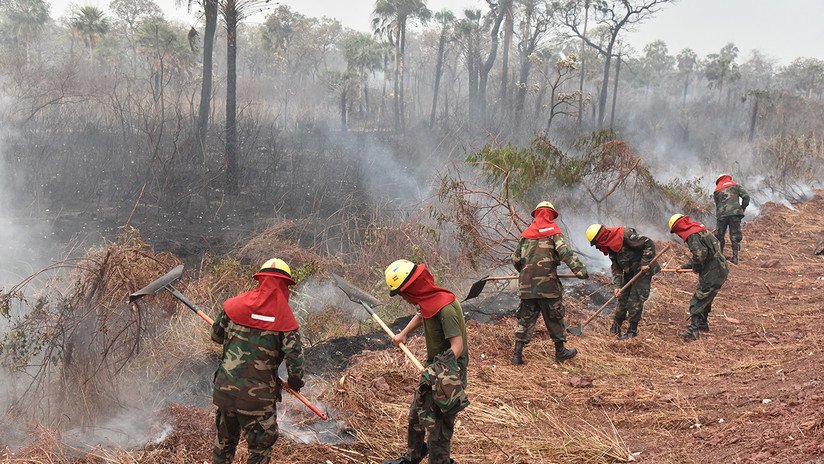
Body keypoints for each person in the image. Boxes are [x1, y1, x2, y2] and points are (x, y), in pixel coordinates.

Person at [210, 258, 305, 464]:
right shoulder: (285, 321)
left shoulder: (233, 305)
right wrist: (295, 385)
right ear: (285, 286)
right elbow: (295, 365)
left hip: (225, 389)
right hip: (258, 399)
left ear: (260, 280)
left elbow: (216, 336)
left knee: (225, 442)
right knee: (259, 449)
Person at [383, 259, 469, 464]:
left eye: (403, 294)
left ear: (412, 289)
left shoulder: (446, 308)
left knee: (439, 428)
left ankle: (441, 461)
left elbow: (457, 348)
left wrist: (436, 371)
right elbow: (422, 314)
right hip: (433, 368)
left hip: (448, 373)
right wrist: (403, 334)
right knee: (416, 416)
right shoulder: (428, 300)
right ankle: (413, 456)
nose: (403, 299)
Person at [511, 201, 588, 365]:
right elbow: (565, 253)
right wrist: (580, 271)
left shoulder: (526, 236)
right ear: (550, 215)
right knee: (554, 317)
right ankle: (560, 352)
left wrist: (526, 274)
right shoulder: (553, 232)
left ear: (536, 215)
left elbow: (515, 259)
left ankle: (517, 355)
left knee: (524, 319)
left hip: (526, 287)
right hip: (548, 287)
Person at [585, 224, 660, 340]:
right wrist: (617, 286)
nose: (597, 247)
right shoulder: (609, 245)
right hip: (630, 271)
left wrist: (645, 262)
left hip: (643, 270)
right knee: (623, 297)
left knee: (636, 299)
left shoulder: (626, 234)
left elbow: (648, 243)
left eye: (596, 243)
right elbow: (616, 267)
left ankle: (632, 330)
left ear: (600, 238)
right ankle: (616, 325)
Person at [668, 214, 729, 341]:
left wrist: (696, 267)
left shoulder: (691, 235)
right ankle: (703, 324)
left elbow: (700, 255)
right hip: (720, 267)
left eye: (676, 231)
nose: (678, 234)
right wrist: (685, 267)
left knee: (698, 299)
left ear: (678, 227)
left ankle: (693, 331)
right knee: (707, 297)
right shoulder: (697, 229)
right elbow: (703, 253)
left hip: (712, 271)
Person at [713, 173, 750, 264]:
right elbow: (746, 197)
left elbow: (717, 204)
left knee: (720, 235)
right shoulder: (735, 186)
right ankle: (735, 258)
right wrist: (742, 208)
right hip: (735, 214)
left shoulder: (717, 190)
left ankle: (720, 258)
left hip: (722, 215)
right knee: (735, 235)